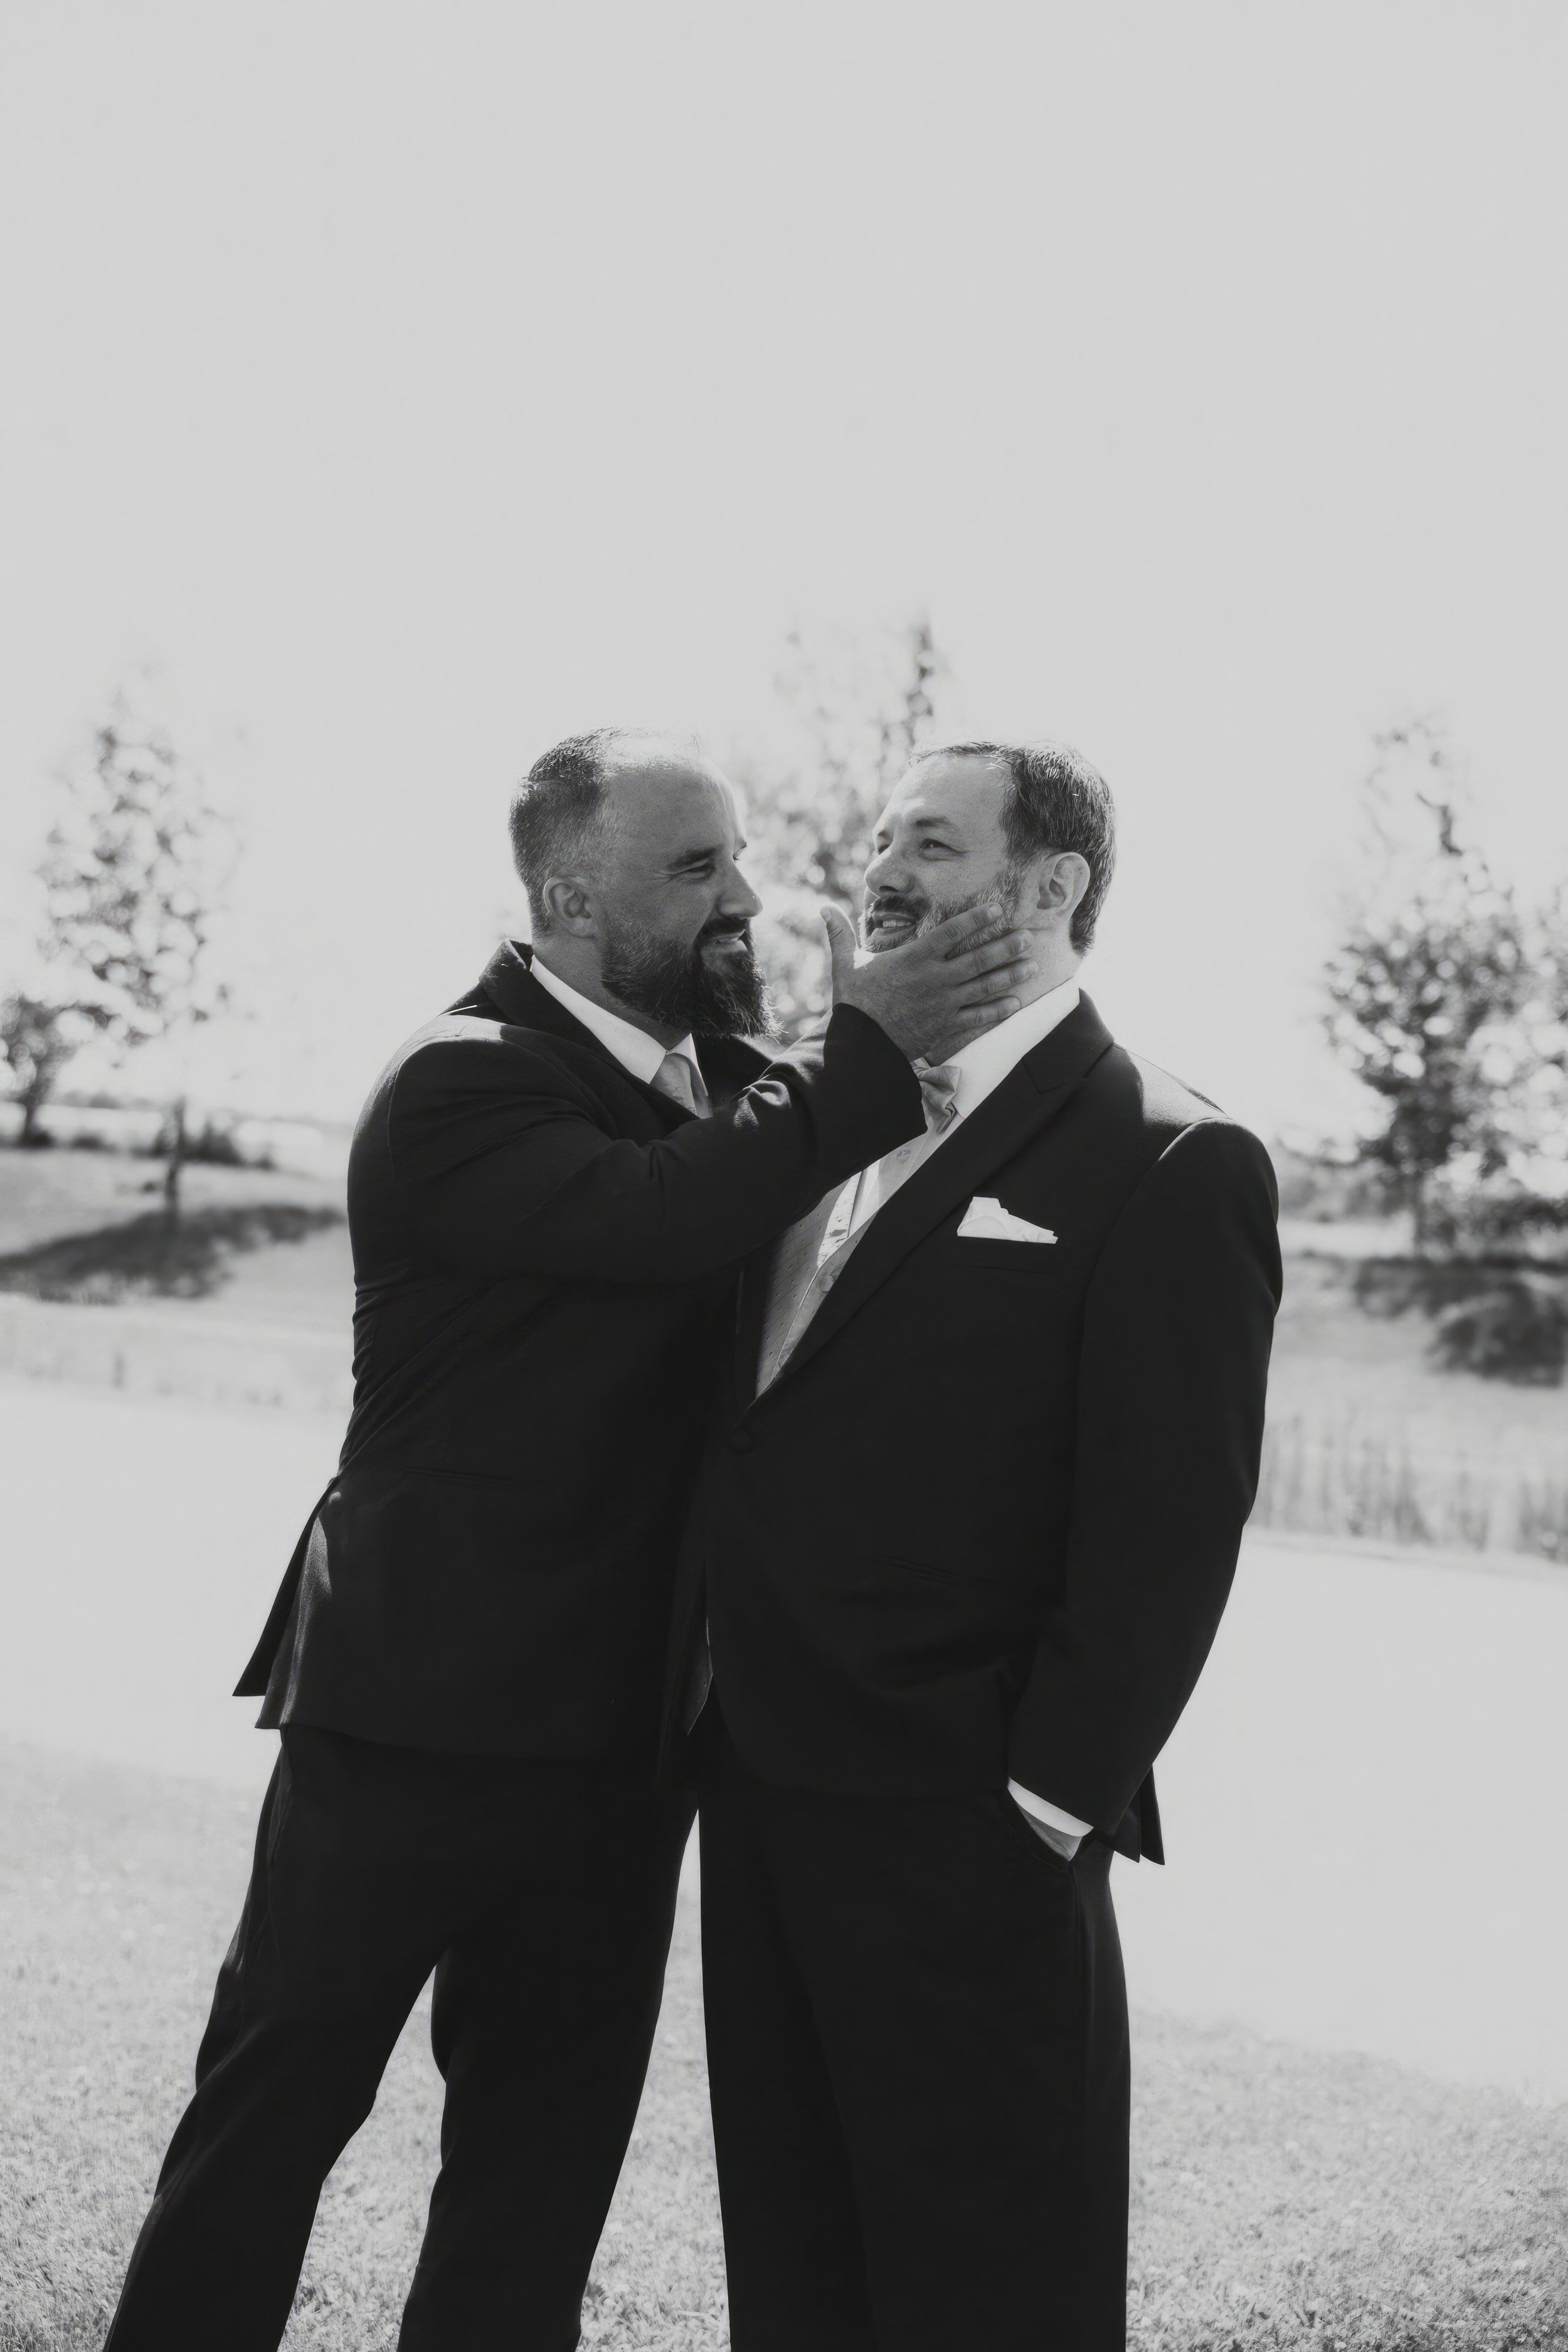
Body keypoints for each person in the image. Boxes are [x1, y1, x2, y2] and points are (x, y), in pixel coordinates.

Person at [104, 728, 1041, 2352]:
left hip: (626, 1745)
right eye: (695, 866)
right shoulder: (458, 1075)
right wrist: (864, 1050)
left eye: (739, 857)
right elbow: (654, 1215)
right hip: (409, 1716)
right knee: (269, 2122)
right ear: (564, 890)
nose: (739, 895)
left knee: (537, 2178)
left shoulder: (755, 1093)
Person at [673, 738, 1283, 2352]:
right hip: (759, 1797)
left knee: (988, 2287)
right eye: (881, 840)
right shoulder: (810, 1113)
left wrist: (1043, 1799)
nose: (883, 872)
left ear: (1050, 884)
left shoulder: (1168, 1155)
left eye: (930, 845)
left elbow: (1167, 1527)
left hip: (970, 1821)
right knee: (794, 2273)